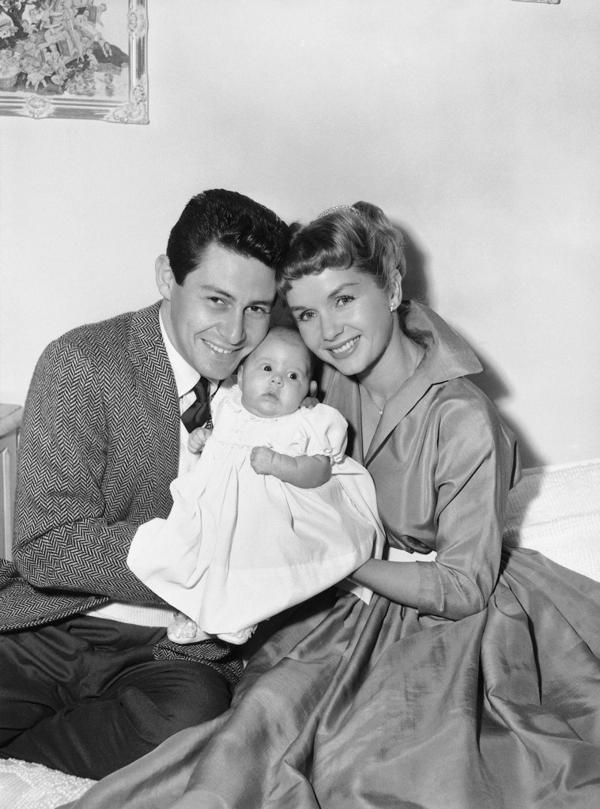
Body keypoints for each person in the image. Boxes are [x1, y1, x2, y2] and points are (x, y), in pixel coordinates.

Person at [59, 201, 600, 809]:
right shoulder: (321, 378)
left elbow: (463, 587)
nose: (329, 331)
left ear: (392, 288)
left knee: (376, 766)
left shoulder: (464, 418)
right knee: (250, 732)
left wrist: (340, 560)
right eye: (308, 313)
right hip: (333, 599)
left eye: (344, 300)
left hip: (439, 611)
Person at [0, 189, 290, 780]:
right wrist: (204, 569)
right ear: (166, 277)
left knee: (187, 727)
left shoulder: (280, 383)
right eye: (216, 299)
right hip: (52, 625)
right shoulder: (82, 362)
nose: (236, 332)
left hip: (174, 654)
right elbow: (47, 545)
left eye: (257, 308)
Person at [128, 326, 384, 646]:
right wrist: (205, 438)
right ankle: (195, 612)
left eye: (292, 376)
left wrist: (280, 464)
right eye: (267, 368)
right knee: (196, 552)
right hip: (217, 505)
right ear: (241, 374)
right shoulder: (229, 406)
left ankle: (243, 616)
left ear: (309, 389)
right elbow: (222, 437)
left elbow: (320, 471)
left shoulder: (307, 422)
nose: (277, 380)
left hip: (269, 514)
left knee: (258, 562)